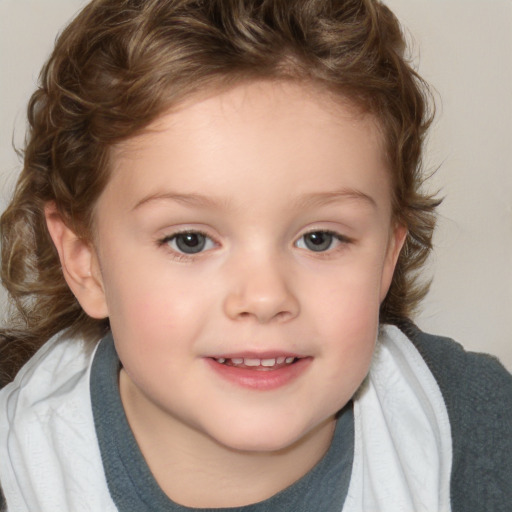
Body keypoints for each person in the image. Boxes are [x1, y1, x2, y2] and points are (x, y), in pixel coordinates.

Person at [0, 0, 510, 510]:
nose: (265, 297)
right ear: (84, 260)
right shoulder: (18, 469)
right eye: (190, 240)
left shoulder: (474, 427)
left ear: (385, 259)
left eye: (319, 239)